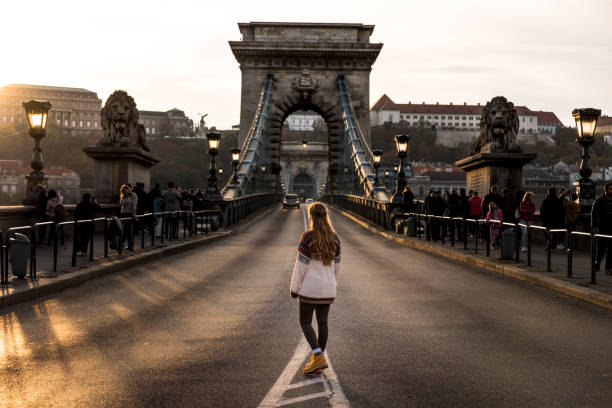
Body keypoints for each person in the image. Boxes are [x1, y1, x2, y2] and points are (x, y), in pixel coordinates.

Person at [290, 202, 342, 375]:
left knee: (305, 322)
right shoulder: (334, 238)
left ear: (311, 216)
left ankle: (318, 356)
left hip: (310, 288)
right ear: (326, 216)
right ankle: (318, 360)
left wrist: (294, 288)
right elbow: (337, 266)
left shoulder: (308, 236)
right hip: (328, 288)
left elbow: (301, 265)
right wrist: (332, 283)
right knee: (323, 322)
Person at [591, 182, 612, 275]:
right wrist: (594, 226)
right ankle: (597, 263)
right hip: (602, 228)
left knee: (611, 249)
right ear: (606, 190)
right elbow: (594, 214)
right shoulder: (599, 201)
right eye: (611, 189)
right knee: (601, 248)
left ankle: (609, 268)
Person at [119, 184, 138, 250]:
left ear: (128, 189)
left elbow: (134, 205)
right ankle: (130, 246)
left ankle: (121, 244)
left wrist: (134, 214)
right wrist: (124, 197)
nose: (125, 191)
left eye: (126, 189)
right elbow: (121, 204)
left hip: (130, 214)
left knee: (125, 230)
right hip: (123, 214)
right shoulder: (123, 196)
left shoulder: (133, 195)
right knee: (127, 231)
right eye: (123, 190)